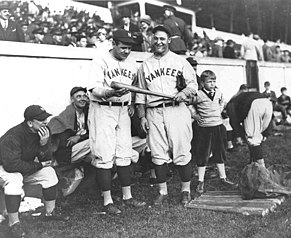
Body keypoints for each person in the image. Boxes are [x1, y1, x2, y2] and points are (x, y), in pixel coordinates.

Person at [135, 25, 198, 206]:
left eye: (163, 38)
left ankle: (185, 190)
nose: (159, 42)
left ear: (169, 40)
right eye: (156, 38)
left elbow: (193, 85)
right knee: (158, 153)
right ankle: (163, 191)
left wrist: (184, 93)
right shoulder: (145, 65)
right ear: (151, 41)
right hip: (153, 111)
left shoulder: (180, 61)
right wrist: (142, 117)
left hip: (176, 109)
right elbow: (140, 95)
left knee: (181, 150)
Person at [88, 29, 146, 215]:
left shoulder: (131, 62)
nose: (126, 51)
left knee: (124, 152)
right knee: (105, 154)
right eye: (123, 47)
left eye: (129, 48)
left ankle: (127, 197)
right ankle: (107, 200)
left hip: (122, 110)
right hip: (103, 108)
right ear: (113, 43)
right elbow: (94, 88)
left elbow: (135, 85)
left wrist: (130, 101)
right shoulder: (100, 59)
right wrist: (110, 93)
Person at [0, 105, 69, 238]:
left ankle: (50, 212)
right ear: (30, 123)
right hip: (5, 168)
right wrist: (38, 165)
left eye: (46, 119)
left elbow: (46, 159)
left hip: (23, 167)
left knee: (49, 173)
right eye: (41, 120)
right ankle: (14, 224)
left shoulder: (43, 132)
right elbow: (11, 165)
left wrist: (43, 144)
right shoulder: (14, 135)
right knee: (15, 180)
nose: (45, 122)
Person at [191, 70, 236, 194]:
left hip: (218, 126)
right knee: (203, 154)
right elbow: (188, 104)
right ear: (202, 83)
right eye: (209, 82)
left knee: (219, 152)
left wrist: (218, 112)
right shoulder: (198, 94)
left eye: (214, 81)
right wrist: (194, 115)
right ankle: (200, 181)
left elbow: (222, 102)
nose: (212, 84)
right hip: (204, 128)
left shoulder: (218, 92)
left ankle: (223, 178)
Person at [48, 87, 91, 196]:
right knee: (95, 142)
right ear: (72, 100)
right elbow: (61, 138)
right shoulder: (68, 114)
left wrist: (78, 137)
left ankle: (93, 188)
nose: (82, 99)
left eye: (84, 96)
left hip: (79, 147)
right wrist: (76, 137)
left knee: (95, 152)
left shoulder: (87, 112)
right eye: (78, 96)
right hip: (66, 153)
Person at [227, 89, 273, 167]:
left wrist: (244, 136)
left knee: (252, 139)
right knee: (258, 136)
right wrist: (266, 133)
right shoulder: (239, 99)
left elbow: (235, 124)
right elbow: (270, 119)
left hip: (254, 105)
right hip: (267, 103)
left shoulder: (230, 105)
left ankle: (262, 168)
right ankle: (254, 161)